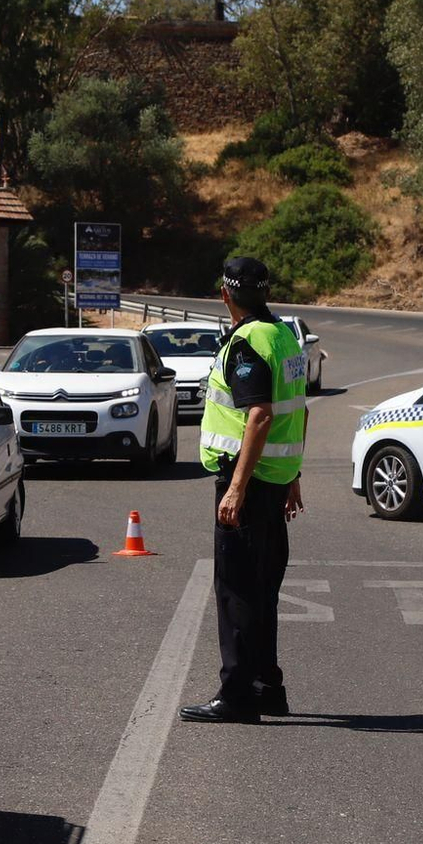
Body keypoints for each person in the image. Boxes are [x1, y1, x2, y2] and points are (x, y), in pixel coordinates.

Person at [181, 256, 309, 724]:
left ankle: (236, 694)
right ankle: (266, 687)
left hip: (248, 479)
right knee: (263, 590)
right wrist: (292, 473)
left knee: (236, 590)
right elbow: (299, 411)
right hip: (274, 481)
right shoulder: (284, 337)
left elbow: (260, 414)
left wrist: (235, 488)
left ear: (225, 294)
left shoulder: (247, 342)